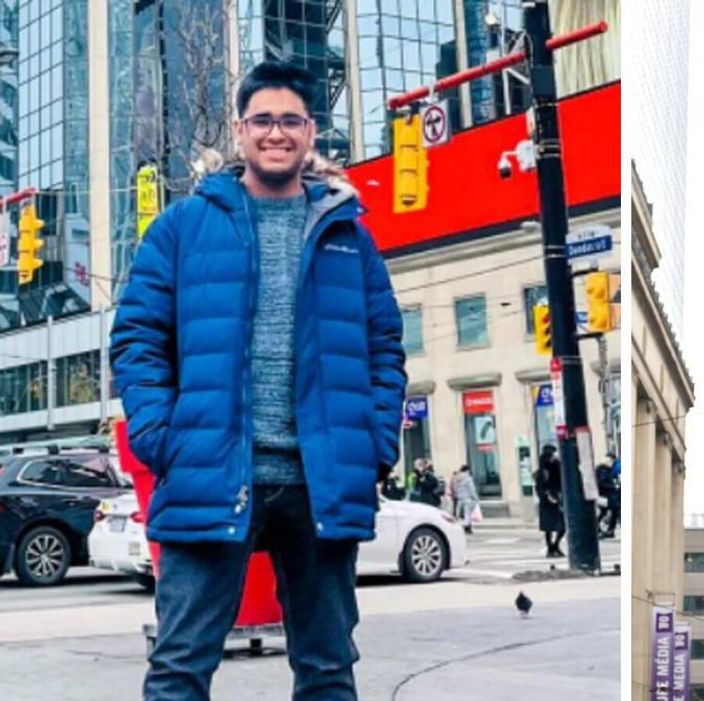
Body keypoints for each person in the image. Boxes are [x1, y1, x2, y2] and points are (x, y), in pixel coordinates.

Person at [110, 60, 406, 701]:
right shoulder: (182, 229)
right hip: (211, 471)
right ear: (241, 131)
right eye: (263, 120)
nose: (278, 133)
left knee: (329, 668)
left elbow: (385, 347)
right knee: (180, 667)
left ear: (311, 132)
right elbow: (137, 342)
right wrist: (166, 436)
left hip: (320, 483)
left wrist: (375, 443)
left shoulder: (349, 237)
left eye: (291, 120)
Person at [535, 444, 565, 557]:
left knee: (561, 526)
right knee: (549, 528)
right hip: (547, 502)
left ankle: (555, 545)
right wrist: (546, 496)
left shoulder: (557, 467)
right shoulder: (542, 472)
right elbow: (539, 487)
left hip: (558, 499)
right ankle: (551, 547)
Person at [452, 465, 480, 534]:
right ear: (467, 470)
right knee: (468, 514)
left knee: (459, 514)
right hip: (468, 498)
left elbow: (455, 489)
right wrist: (476, 498)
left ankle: (461, 527)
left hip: (460, 498)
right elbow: (471, 489)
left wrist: (457, 495)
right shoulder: (468, 478)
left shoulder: (456, 478)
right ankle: (467, 528)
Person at [596, 455, 618, 539]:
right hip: (605, 495)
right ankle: (607, 530)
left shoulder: (606, 469)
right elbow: (601, 482)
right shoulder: (602, 469)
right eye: (611, 461)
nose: (611, 463)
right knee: (609, 510)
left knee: (605, 511)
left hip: (607, 495)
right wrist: (613, 486)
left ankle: (608, 530)